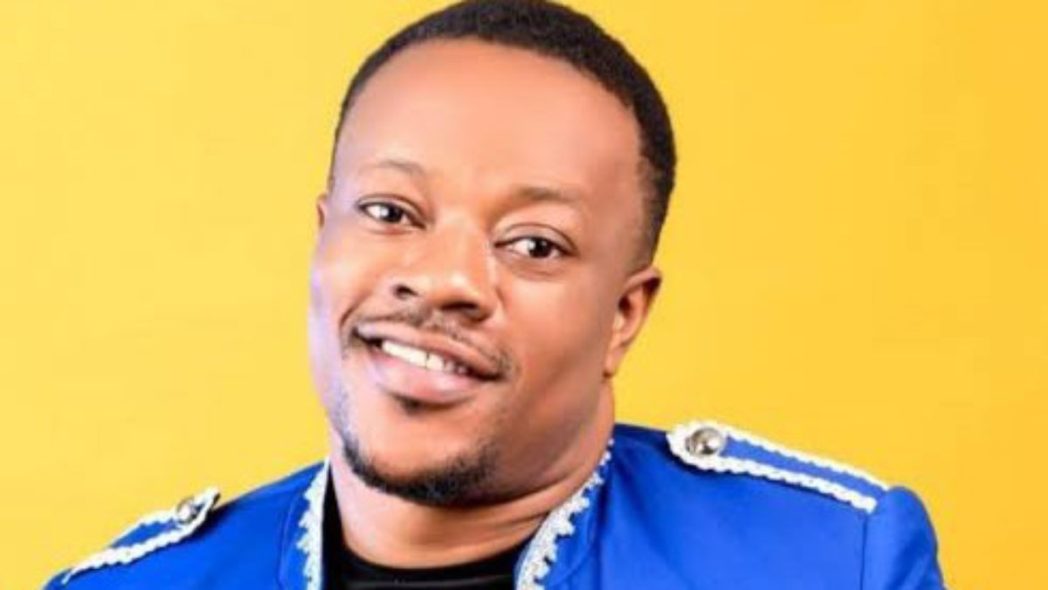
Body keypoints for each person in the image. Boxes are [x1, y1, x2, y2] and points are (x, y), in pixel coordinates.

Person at [45, 1, 947, 588]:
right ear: (323, 235)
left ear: (623, 316)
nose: (443, 280)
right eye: (391, 212)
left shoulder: (830, 562)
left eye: (533, 245)